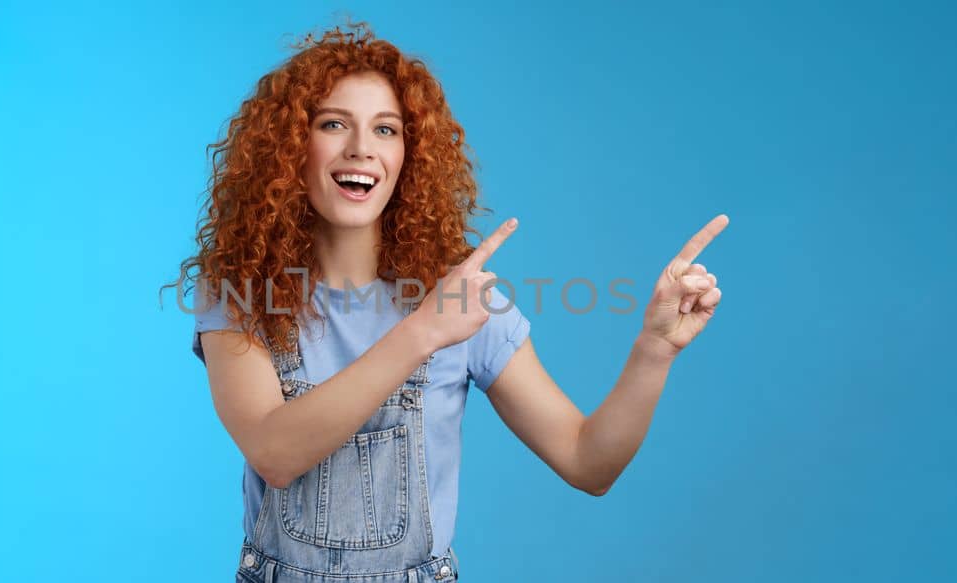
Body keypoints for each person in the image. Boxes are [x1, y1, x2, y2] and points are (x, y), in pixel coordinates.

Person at [171, 22, 727, 582]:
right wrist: (422, 333)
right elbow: (275, 452)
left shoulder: (463, 299)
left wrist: (654, 349)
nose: (361, 148)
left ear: (409, 158)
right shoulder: (239, 291)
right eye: (333, 123)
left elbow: (589, 463)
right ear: (290, 148)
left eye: (386, 129)